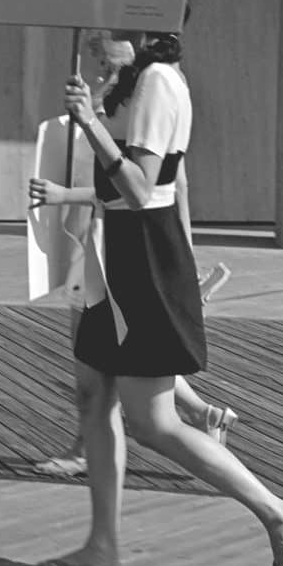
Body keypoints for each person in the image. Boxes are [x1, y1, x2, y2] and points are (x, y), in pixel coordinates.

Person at [27, 26, 283, 566]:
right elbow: (143, 189)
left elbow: (143, 190)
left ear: (146, 27)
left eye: (113, 32)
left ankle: (279, 512)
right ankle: (102, 547)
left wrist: (91, 123)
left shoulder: (161, 82)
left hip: (140, 260)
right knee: (94, 396)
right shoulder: (134, 83)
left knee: (152, 420)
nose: (102, 42)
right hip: (113, 257)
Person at [31, 29, 236, 477]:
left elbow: (146, 187)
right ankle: (198, 418)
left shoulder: (149, 91)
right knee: (109, 370)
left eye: (113, 57)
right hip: (100, 243)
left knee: (123, 380)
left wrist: (182, 254)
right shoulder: (111, 98)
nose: (107, 66)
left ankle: (273, 507)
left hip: (118, 245)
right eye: (100, 58)